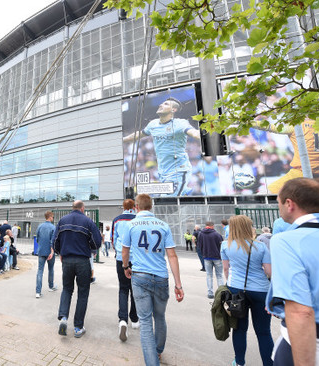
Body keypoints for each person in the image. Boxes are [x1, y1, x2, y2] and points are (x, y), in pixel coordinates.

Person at [266, 178, 319, 365]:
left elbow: (300, 312)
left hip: (315, 343)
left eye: (278, 202)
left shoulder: (286, 241)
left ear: (289, 204)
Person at [121, 193, 184, 365]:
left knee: (146, 322)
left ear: (137, 207)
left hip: (140, 276)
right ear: (151, 207)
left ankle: (152, 361)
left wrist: (126, 267)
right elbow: (172, 256)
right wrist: (178, 284)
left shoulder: (131, 225)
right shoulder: (163, 225)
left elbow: (124, 251)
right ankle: (158, 351)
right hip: (161, 277)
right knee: (160, 317)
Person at [123, 97, 201, 196]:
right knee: (169, 202)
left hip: (178, 171)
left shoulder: (180, 123)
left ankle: (183, 188)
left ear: (173, 110)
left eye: (166, 104)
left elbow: (194, 133)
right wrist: (120, 140)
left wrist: (203, 134)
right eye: (162, 103)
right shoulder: (153, 124)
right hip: (163, 173)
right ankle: (184, 190)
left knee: (166, 201)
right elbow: (138, 134)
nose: (161, 105)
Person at [221, 215, 273, 366]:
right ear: (248, 227)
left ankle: (239, 362)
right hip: (260, 290)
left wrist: (230, 282)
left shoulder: (225, 245)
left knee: (239, 329)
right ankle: (268, 363)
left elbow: (226, 268)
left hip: (236, 289)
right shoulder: (261, 246)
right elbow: (269, 271)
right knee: (263, 332)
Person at [54, 200, 102, 338]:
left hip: (67, 260)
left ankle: (63, 318)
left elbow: (55, 240)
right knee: (83, 293)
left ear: (73, 208)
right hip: (82, 261)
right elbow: (97, 241)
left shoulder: (62, 220)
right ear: (82, 208)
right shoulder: (88, 221)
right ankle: (78, 327)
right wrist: (90, 248)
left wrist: (60, 252)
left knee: (67, 289)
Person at [111, 199, 138, 342]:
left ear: (123, 207)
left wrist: (118, 252)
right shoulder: (138, 219)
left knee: (123, 289)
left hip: (121, 258)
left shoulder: (117, 220)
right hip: (137, 260)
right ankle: (134, 318)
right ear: (134, 207)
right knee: (135, 289)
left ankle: (122, 320)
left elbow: (113, 239)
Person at [197, 221, 224, 299]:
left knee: (209, 275)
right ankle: (221, 293)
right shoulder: (217, 234)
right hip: (217, 257)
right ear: (212, 226)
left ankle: (210, 293)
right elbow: (221, 246)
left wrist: (203, 254)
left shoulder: (201, 234)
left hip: (207, 257)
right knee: (219, 275)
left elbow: (200, 245)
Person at [35, 211, 57, 299]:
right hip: (49, 252)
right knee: (51, 269)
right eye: (53, 217)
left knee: (40, 271)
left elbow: (37, 238)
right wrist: (52, 252)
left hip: (41, 251)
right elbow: (53, 241)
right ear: (50, 217)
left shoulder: (40, 226)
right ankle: (51, 286)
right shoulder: (53, 227)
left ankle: (38, 291)